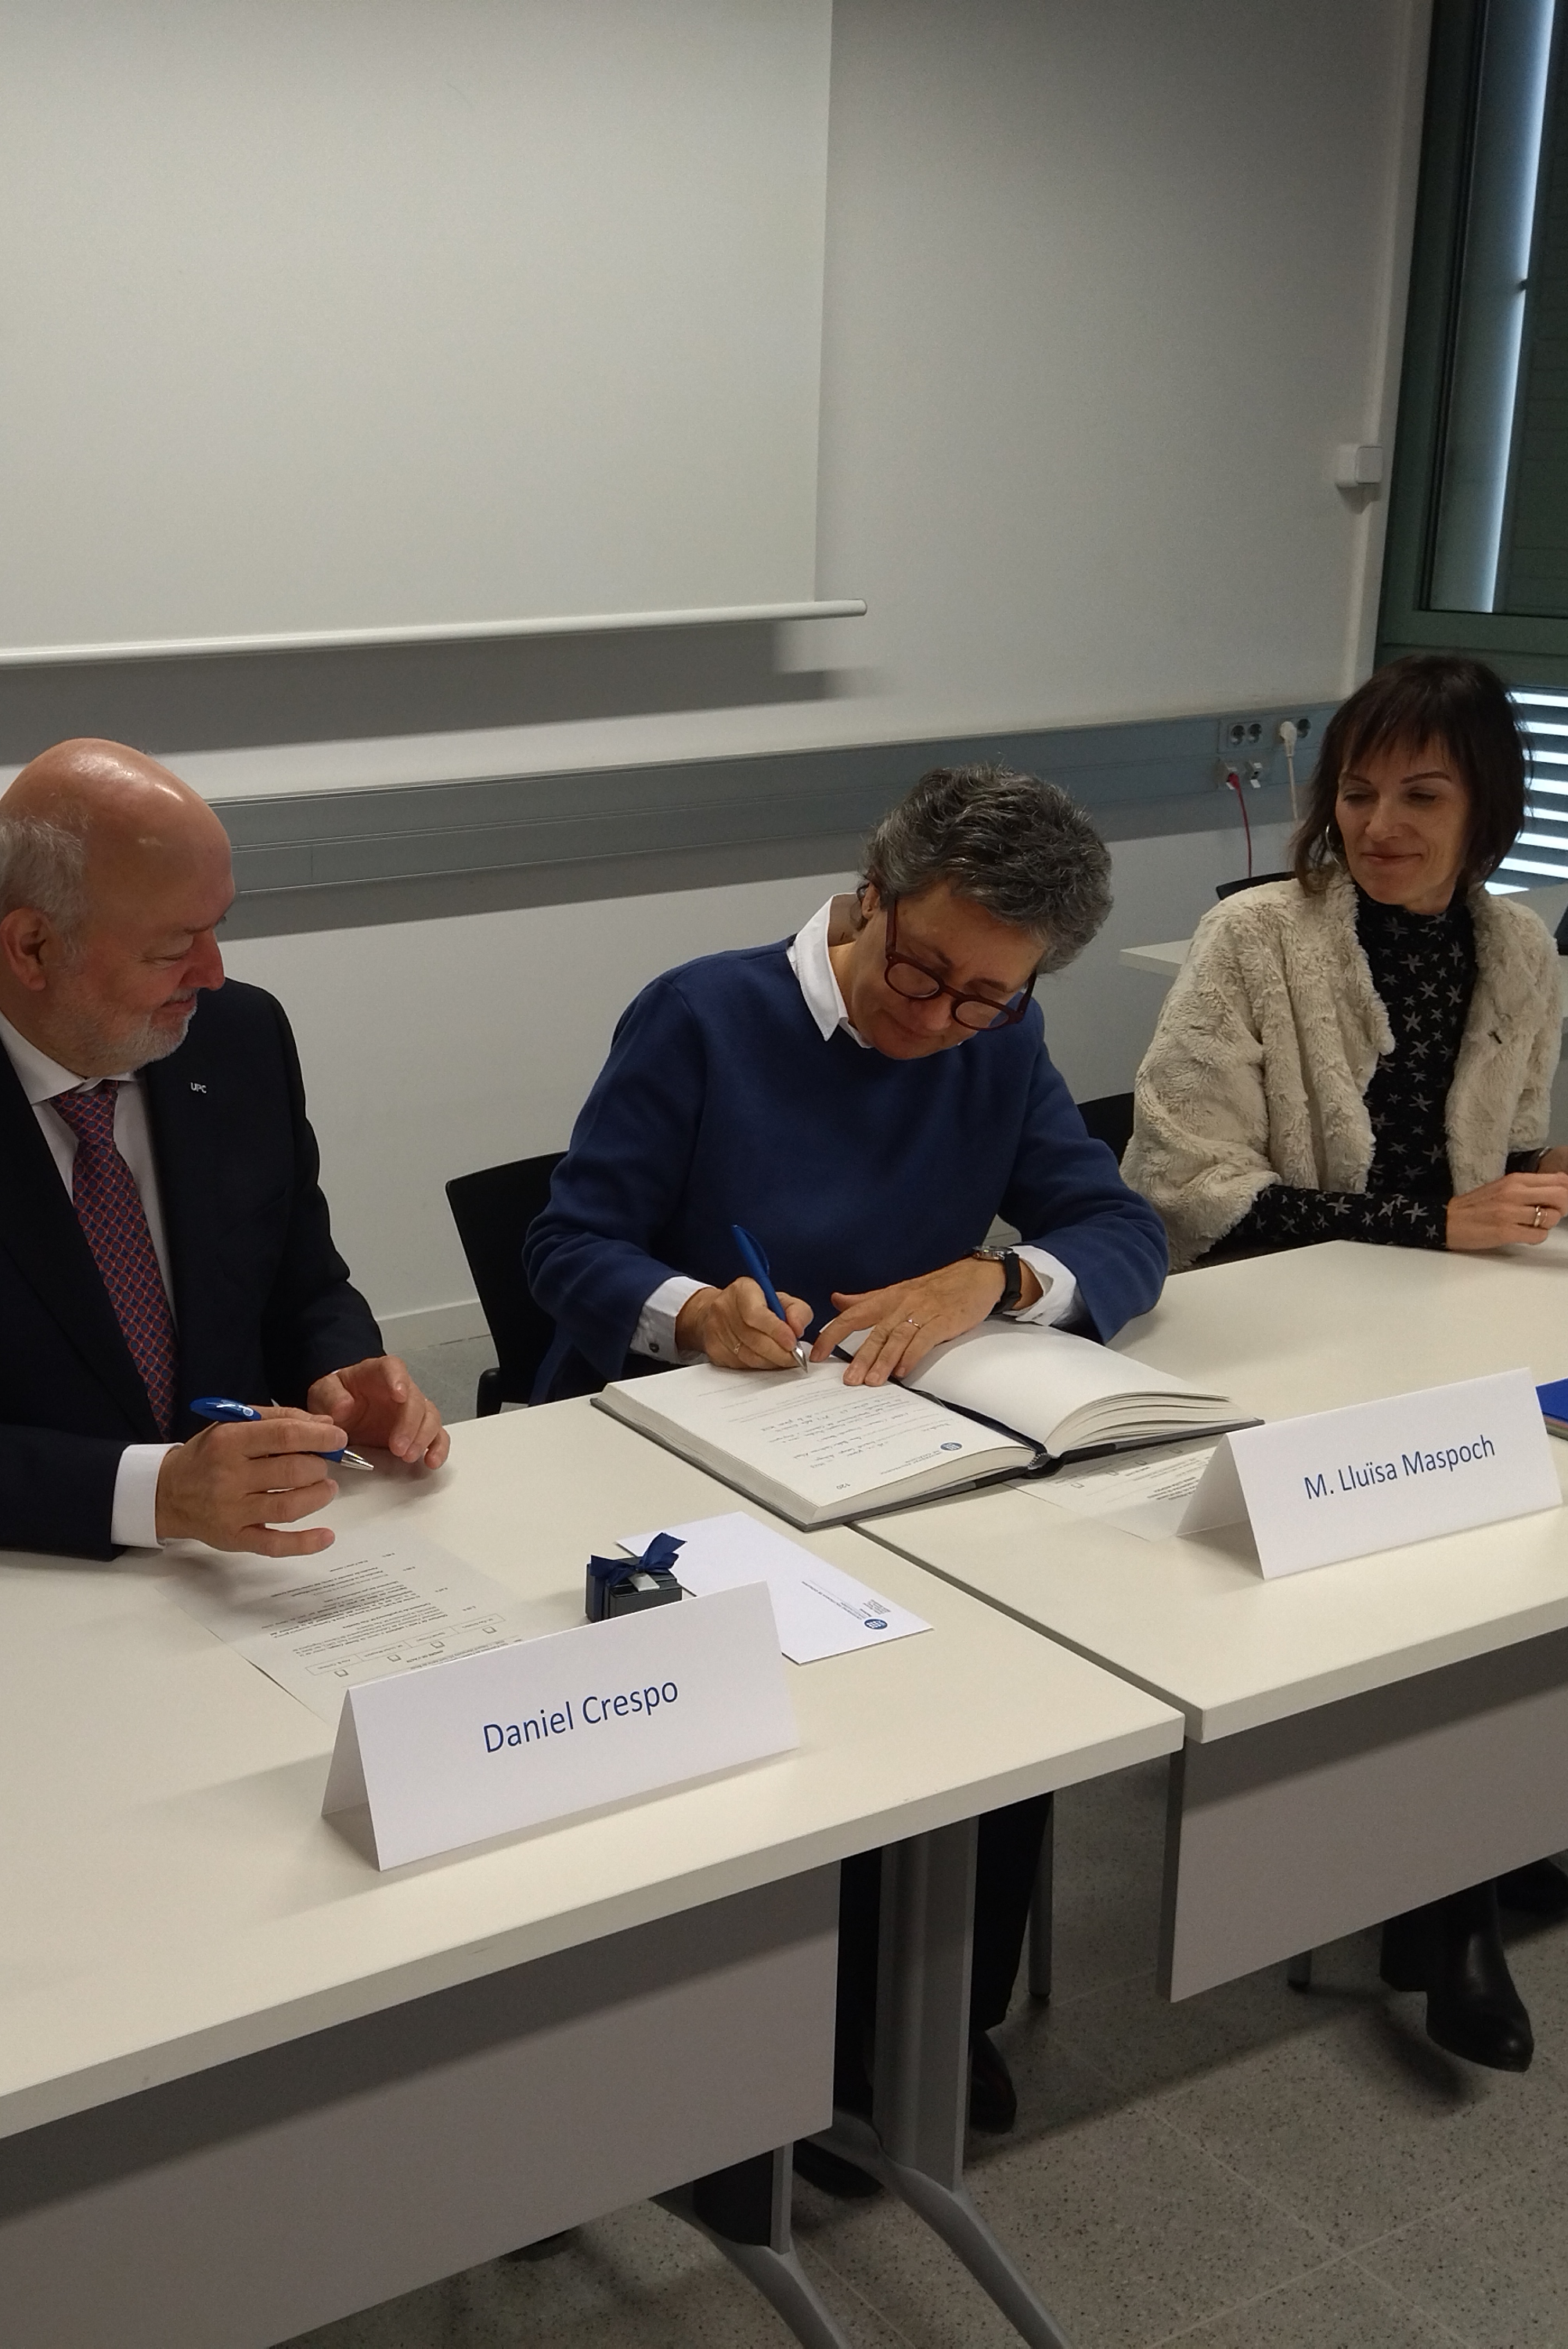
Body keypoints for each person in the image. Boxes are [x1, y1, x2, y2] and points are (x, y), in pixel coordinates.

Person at [523, 761, 1168, 2152]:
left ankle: (932, 2015)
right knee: (798, 1716)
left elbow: (1121, 1231)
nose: (938, 1021)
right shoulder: (704, 1015)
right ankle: (777, 2052)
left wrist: (994, 1281)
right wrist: (692, 1311)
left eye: (985, 997)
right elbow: (567, 1245)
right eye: (923, 972)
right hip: (683, 1457)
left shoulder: (1002, 1040)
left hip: (894, 1451)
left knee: (1017, 1666)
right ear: (871, 899)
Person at [1121, 650, 1568, 2075]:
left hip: (1451, 1318)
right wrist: (1433, 1223)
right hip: (1286, 1330)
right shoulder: (1255, 938)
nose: (1380, 825)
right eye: (1359, 792)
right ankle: (1449, 1913)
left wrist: (1564, 1164)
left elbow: (1495, 1137)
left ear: (1488, 808)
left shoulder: (1519, 946)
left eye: (1422, 795)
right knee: (1451, 1548)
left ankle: (1455, 1840)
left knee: (1551, 1538)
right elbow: (1186, 1190)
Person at [0, 738, 445, 1568]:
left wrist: (339, 1370)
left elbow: (302, 1284)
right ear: (33, 947)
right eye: (172, 947)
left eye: (217, 927)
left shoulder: (238, 1038)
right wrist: (157, 1492)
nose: (212, 973)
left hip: (225, 1567)